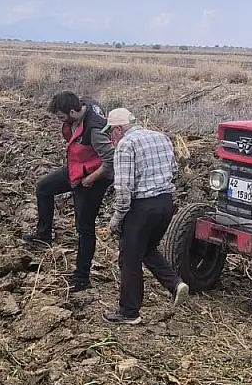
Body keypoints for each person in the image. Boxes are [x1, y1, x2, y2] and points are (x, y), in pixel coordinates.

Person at [101, 107, 189, 325]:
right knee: (147, 249)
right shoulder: (161, 137)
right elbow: (174, 171)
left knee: (129, 258)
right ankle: (176, 285)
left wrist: (116, 221)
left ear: (119, 129)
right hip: (165, 204)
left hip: (142, 208)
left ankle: (129, 312)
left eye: (111, 132)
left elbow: (123, 190)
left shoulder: (125, 145)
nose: (110, 137)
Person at [23, 91, 115, 293]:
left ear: (73, 111)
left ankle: (82, 277)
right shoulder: (83, 103)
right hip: (77, 168)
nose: (60, 121)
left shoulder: (95, 129)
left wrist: (90, 179)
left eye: (62, 117)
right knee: (44, 188)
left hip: (93, 178)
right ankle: (44, 236)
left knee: (84, 227)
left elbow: (111, 160)